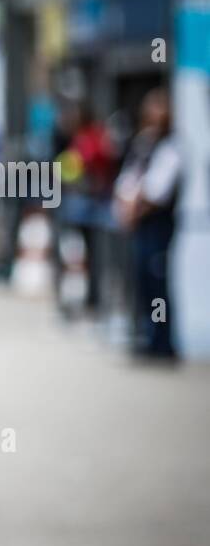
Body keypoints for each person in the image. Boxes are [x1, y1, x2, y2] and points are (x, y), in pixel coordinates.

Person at [114, 87, 180, 360]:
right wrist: (125, 203)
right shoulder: (143, 143)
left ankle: (162, 342)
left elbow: (158, 190)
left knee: (157, 283)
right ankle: (147, 335)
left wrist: (137, 206)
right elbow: (128, 178)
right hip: (140, 224)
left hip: (157, 225)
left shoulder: (172, 147)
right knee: (143, 281)